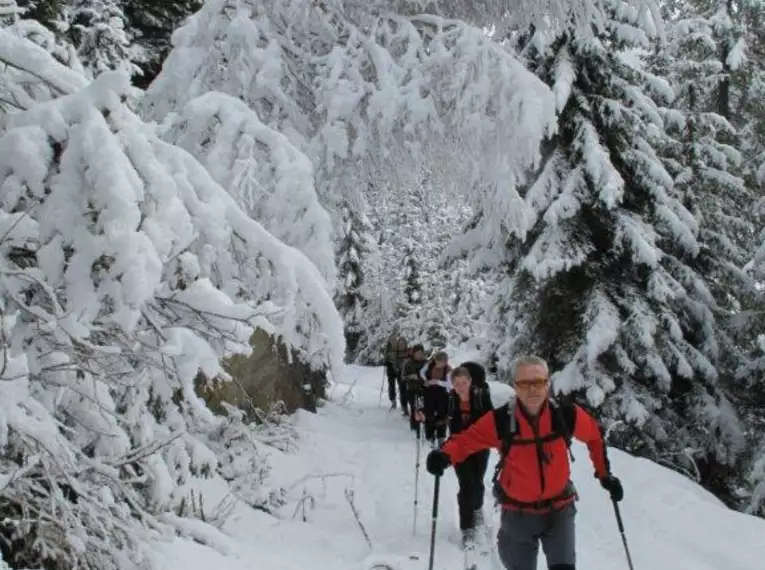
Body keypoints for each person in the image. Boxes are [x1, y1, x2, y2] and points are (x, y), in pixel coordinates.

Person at [425, 355, 624, 570]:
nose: (532, 390)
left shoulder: (565, 415)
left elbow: (594, 436)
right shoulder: (501, 420)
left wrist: (605, 475)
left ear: (547, 384)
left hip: (559, 511)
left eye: (538, 382)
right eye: (524, 383)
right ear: (515, 387)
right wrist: (444, 455)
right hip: (518, 513)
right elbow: (465, 441)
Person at [446, 365, 493, 548]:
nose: (461, 387)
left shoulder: (481, 396)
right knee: (466, 485)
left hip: (480, 446)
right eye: (457, 384)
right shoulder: (450, 398)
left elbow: (492, 418)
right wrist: (422, 414)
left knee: (478, 481)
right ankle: (467, 529)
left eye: (464, 383)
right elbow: (438, 414)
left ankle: (477, 508)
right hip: (459, 448)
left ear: (470, 382)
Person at [417, 351, 452, 447]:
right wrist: (426, 380)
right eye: (437, 361)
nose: (438, 364)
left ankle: (441, 436)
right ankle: (430, 436)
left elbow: (450, 384)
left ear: (445, 362)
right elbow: (421, 372)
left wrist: (437, 381)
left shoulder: (448, 369)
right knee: (429, 414)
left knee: (442, 415)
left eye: (440, 362)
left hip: (442, 394)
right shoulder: (429, 364)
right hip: (429, 392)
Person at [401, 344, 428, 429]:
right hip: (411, 388)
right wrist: (410, 376)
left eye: (420, 353)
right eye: (417, 353)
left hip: (423, 388)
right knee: (413, 407)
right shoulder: (408, 363)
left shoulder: (426, 363)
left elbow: (429, 375)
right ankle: (414, 426)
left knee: (423, 407)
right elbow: (403, 376)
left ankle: (424, 424)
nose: (419, 355)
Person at [384, 335, 409, 411]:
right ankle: (393, 401)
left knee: (401, 387)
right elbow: (385, 358)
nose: (393, 341)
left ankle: (402, 404)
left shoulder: (400, 351)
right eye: (391, 340)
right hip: (392, 369)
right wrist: (386, 362)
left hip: (399, 371)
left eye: (394, 340)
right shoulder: (388, 349)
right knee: (392, 385)